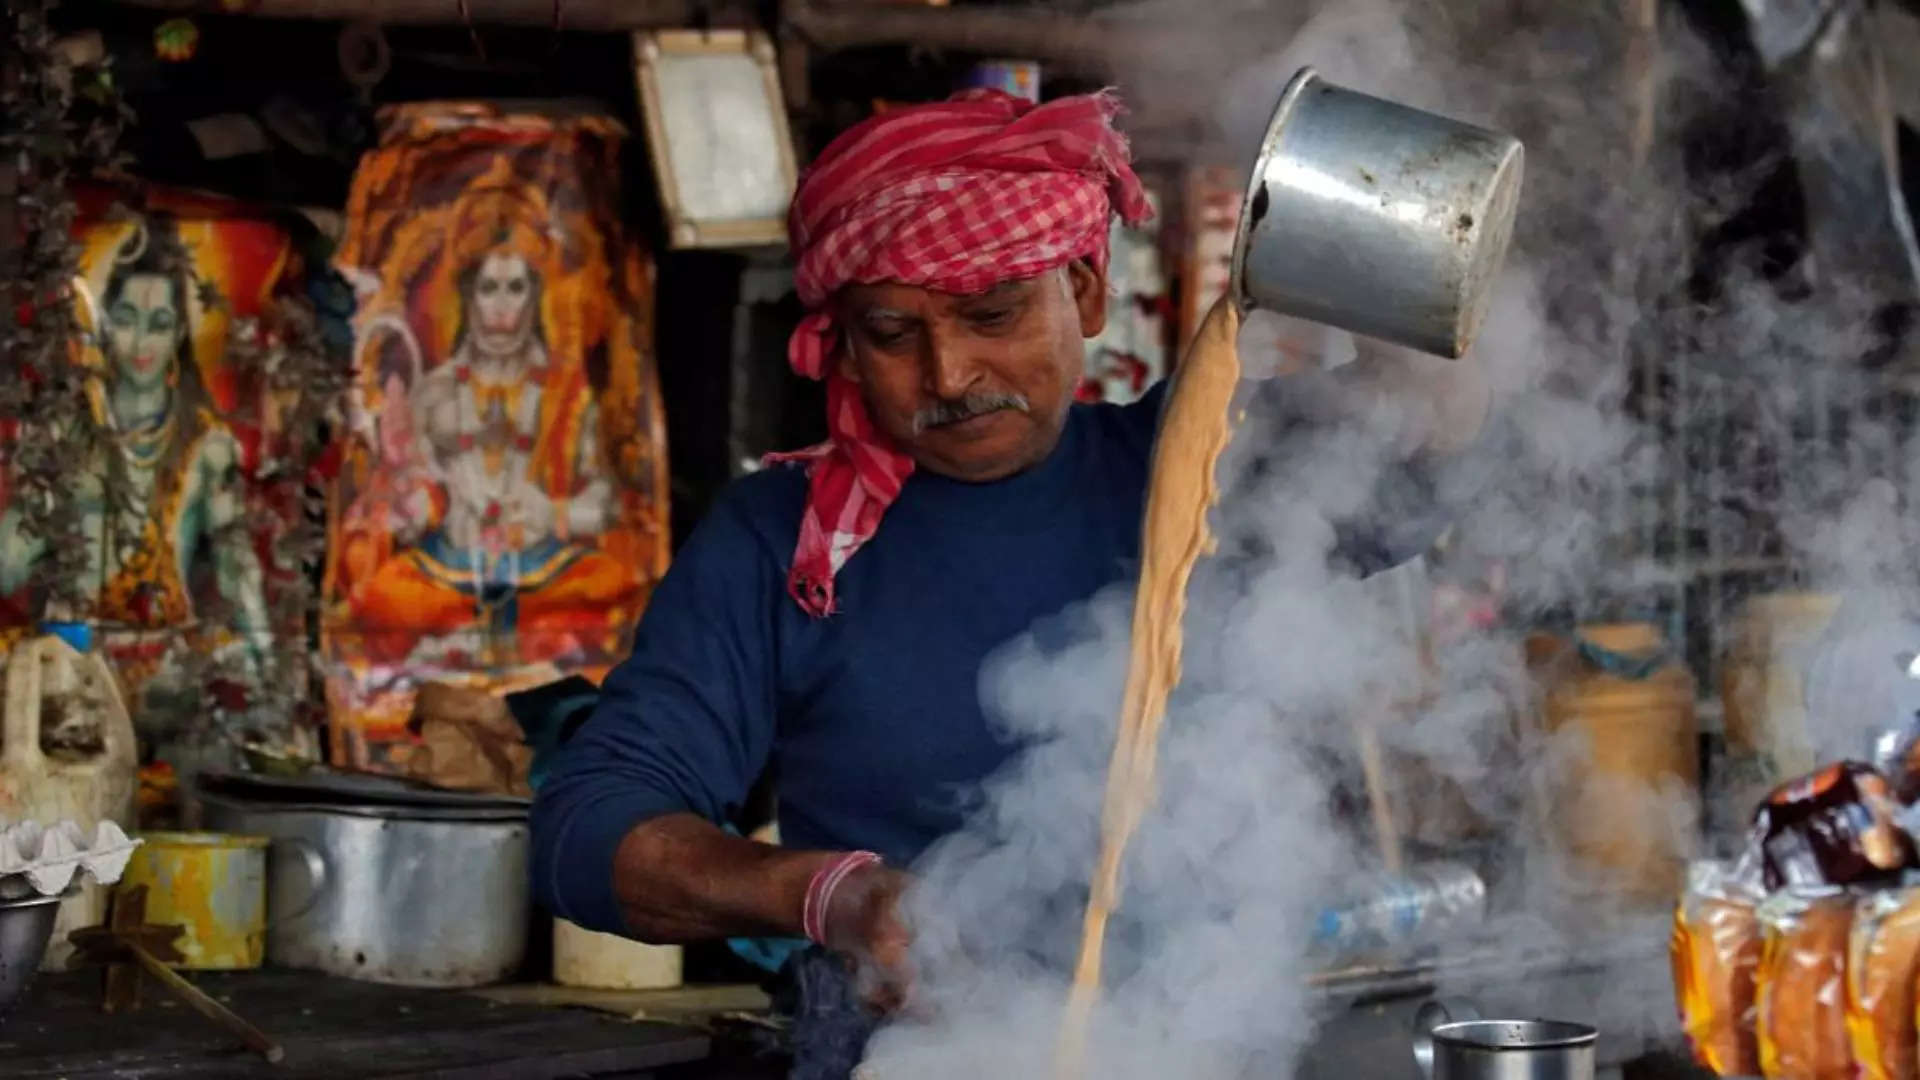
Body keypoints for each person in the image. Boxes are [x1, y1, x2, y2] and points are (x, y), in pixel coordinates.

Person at [532, 88, 1489, 1071]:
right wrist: (834, 896)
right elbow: (589, 831)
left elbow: (1435, 435)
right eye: (892, 334)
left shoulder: (1202, 469)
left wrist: (1397, 209)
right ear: (844, 345)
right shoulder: (786, 543)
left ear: (1081, 291)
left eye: (991, 313)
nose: (949, 374)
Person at [0, 213, 269, 684]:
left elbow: (235, 564)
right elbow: (11, 556)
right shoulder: (68, 433)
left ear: (180, 336)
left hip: (168, 672)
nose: (142, 342)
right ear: (104, 326)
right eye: (126, 319)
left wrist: (264, 653)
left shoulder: (207, 444)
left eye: (159, 323)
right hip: (71, 664)